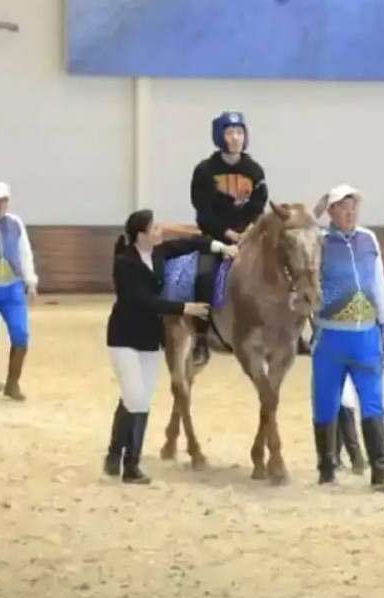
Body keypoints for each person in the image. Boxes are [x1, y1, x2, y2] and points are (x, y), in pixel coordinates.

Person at [102, 209, 235, 483]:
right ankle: (124, 460)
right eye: (155, 229)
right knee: (135, 398)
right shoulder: (124, 263)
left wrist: (222, 246)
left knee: (139, 398)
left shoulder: (160, 254)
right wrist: (184, 307)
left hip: (151, 339)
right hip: (124, 337)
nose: (160, 232)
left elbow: (192, 244)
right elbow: (143, 301)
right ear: (141, 234)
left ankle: (122, 458)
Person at [310, 184, 384, 491]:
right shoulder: (318, 241)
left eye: (353, 209)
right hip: (330, 337)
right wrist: (316, 211)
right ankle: (326, 468)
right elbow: (297, 235)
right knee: (325, 400)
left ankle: (382, 469)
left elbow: (379, 282)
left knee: (373, 400)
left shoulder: (368, 238)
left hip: (366, 336)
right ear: (332, 212)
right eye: (343, 208)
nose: (350, 214)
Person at [189, 111, 267, 364]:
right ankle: (201, 338)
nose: (236, 138)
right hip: (216, 238)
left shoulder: (254, 170)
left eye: (240, 132)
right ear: (219, 136)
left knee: (280, 272)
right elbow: (203, 212)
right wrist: (227, 234)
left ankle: (288, 333)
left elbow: (258, 205)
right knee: (203, 277)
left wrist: (249, 231)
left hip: (248, 237)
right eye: (230, 132)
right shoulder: (204, 170)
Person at [0, 182, 38, 402]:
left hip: (13, 288)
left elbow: (25, 252)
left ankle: (12, 384)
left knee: (21, 334)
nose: (0, 204)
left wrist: (31, 281)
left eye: (4, 199)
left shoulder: (15, 223)